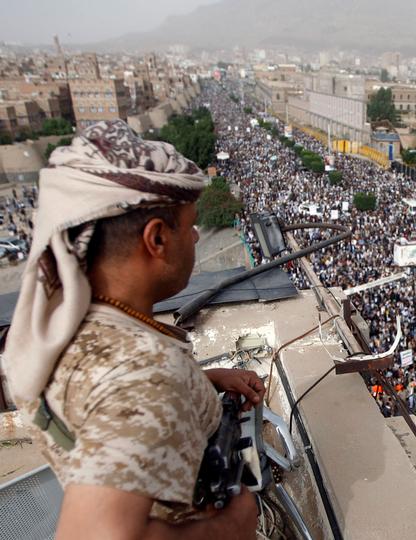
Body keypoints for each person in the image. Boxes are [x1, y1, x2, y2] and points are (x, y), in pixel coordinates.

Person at [1, 121, 260, 538]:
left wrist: (201, 384)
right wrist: (231, 526)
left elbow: (111, 411)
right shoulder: (146, 374)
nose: (196, 236)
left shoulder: (71, 328)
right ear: (156, 239)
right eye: (190, 224)